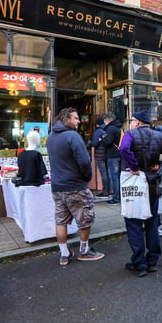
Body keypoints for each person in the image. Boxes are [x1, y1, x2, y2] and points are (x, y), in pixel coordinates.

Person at [120, 110, 162, 277]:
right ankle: (152, 261)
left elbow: (124, 149)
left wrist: (133, 167)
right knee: (152, 222)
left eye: (132, 120)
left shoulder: (130, 134)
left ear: (138, 122)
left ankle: (139, 263)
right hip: (153, 182)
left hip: (135, 181)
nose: (131, 122)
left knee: (133, 222)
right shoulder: (158, 136)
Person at [46, 107, 105, 265]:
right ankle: (84, 250)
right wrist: (86, 178)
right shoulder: (72, 136)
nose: (79, 121)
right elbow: (85, 162)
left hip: (57, 186)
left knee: (61, 220)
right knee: (84, 218)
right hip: (75, 186)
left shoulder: (50, 137)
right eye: (76, 118)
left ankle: (64, 254)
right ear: (67, 119)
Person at [98, 112, 123, 205]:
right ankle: (120, 196)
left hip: (112, 155)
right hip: (120, 154)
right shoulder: (119, 127)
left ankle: (116, 198)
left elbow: (107, 142)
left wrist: (102, 139)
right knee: (119, 177)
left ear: (107, 120)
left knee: (114, 177)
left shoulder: (110, 128)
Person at [89, 115, 110, 197]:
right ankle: (110, 190)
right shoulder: (108, 129)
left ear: (97, 124)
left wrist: (90, 143)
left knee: (103, 173)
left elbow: (94, 143)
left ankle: (105, 192)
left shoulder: (98, 131)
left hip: (99, 154)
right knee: (108, 173)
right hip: (107, 154)